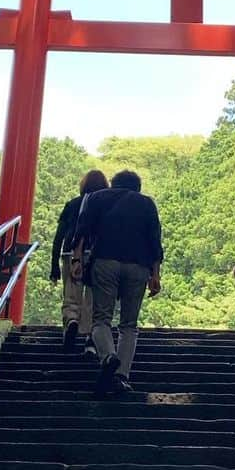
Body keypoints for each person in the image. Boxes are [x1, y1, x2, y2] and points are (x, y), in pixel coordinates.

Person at [72, 169, 163, 398]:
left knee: (101, 319)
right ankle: (122, 376)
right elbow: (155, 240)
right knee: (129, 324)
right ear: (137, 186)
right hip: (138, 266)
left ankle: (108, 356)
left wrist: (77, 258)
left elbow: (82, 229)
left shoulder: (98, 197)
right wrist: (155, 274)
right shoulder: (147, 204)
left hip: (105, 261)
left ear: (113, 184)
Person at [50, 168, 108, 353]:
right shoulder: (105, 206)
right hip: (96, 254)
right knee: (92, 297)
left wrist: (54, 266)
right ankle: (89, 337)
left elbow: (59, 235)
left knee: (71, 293)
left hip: (70, 253)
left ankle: (71, 321)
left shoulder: (72, 204)